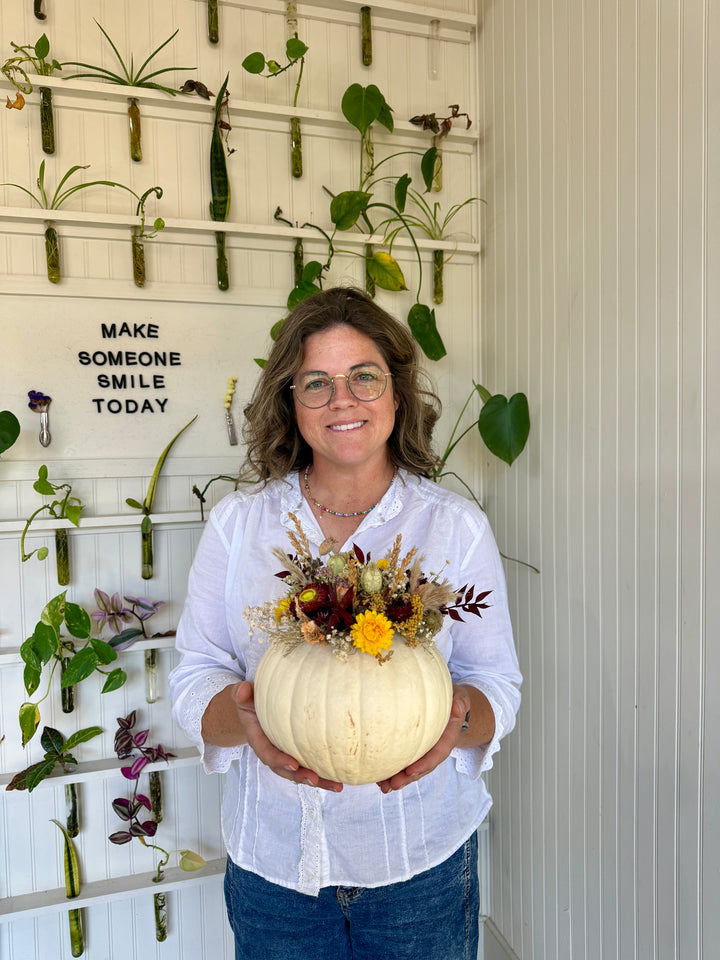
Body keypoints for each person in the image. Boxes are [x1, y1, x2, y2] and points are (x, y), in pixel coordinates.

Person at [168, 286, 522, 960]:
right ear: (289, 403)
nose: (343, 401)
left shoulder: (453, 529)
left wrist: (451, 726)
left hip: (421, 867)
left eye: (364, 377)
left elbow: (496, 685)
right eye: (316, 383)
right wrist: (245, 719)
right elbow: (195, 679)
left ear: (396, 393)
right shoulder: (240, 526)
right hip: (274, 872)